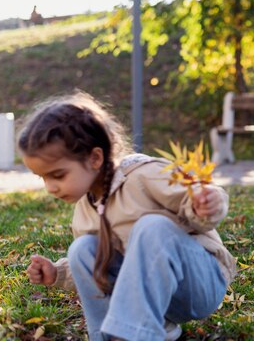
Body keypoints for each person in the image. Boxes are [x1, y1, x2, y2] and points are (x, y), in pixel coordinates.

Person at [20, 91, 236, 341]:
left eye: (58, 175)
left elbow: (196, 203)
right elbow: (105, 263)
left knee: (152, 227)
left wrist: (206, 203)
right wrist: (57, 273)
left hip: (198, 283)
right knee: (82, 249)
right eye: (43, 178)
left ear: (95, 158)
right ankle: (113, 335)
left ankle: (132, 335)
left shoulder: (143, 175)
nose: (50, 187)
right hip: (158, 296)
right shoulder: (85, 209)